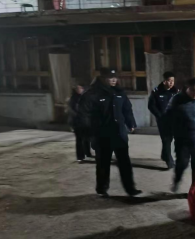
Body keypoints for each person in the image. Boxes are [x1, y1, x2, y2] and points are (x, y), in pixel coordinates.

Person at [79, 68, 141, 197]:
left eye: (115, 77)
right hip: (102, 135)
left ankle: (130, 188)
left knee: (124, 162)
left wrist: (131, 123)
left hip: (119, 133)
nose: (113, 80)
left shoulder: (119, 92)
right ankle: (102, 189)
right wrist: (89, 133)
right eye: (110, 78)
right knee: (103, 163)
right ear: (102, 78)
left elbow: (127, 109)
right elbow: (85, 115)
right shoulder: (92, 94)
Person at [165, 77, 195, 192]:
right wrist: (169, 133)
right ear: (187, 88)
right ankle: (177, 180)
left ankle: (194, 189)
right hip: (182, 139)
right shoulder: (177, 100)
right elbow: (168, 117)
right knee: (182, 163)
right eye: (193, 90)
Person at [148, 71, 179, 169]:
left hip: (173, 120)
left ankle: (164, 155)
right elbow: (151, 105)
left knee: (169, 139)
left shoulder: (176, 92)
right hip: (162, 120)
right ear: (164, 81)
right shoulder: (156, 91)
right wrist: (159, 116)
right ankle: (169, 162)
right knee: (166, 139)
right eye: (169, 81)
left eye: (173, 81)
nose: (171, 83)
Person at [68, 84, 92, 162]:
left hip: (86, 122)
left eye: (80, 88)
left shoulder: (85, 98)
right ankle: (80, 157)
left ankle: (87, 153)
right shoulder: (73, 99)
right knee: (79, 140)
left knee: (87, 138)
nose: (80, 89)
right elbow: (71, 110)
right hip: (77, 122)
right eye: (77, 88)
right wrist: (78, 116)